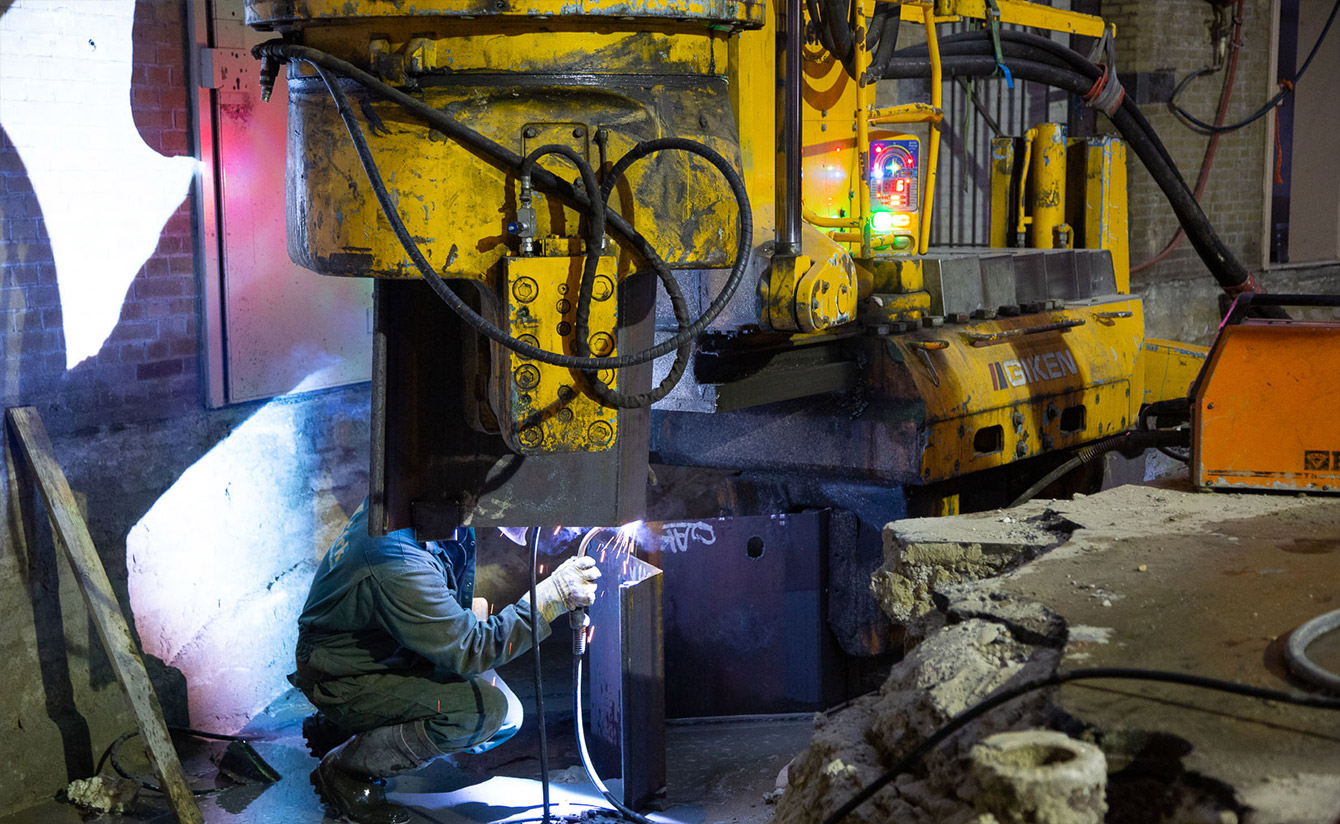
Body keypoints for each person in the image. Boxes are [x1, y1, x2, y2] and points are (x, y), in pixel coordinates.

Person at [288, 500, 600, 824]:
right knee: (486, 713)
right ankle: (345, 771)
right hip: (343, 676)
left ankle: (345, 728)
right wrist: (549, 600)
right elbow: (470, 650)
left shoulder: (412, 509)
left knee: (498, 687)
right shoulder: (398, 560)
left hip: (378, 655)